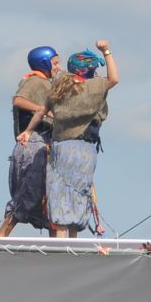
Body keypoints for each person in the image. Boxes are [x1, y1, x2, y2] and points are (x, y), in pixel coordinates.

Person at [45, 42, 118, 238]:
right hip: (84, 148)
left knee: (62, 192)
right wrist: (107, 51)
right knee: (78, 192)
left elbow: (46, 111)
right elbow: (114, 78)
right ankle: (69, 243)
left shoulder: (60, 88)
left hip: (62, 146)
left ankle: (63, 241)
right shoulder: (91, 88)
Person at [0, 46, 57, 237]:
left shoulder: (47, 83)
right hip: (35, 144)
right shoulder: (34, 81)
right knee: (29, 190)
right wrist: (43, 110)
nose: (58, 67)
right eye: (55, 63)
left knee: (48, 197)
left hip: (46, 143)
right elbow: (19, 100)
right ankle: (2, 234)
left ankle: (57, 243)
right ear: (45, 63)